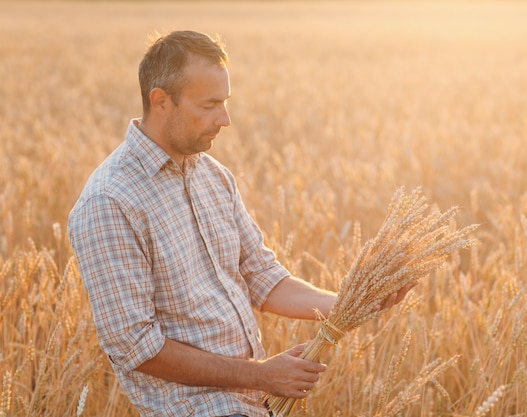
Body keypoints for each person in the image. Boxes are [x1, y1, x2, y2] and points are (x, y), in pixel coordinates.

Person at [68, 30, 410, 417]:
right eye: (210, 105)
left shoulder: (212, 175)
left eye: (225, 103)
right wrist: (261, 375)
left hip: (251, 405)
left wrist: (350, 303)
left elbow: (261, 276)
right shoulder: (109, 202)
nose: (225, 119)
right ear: (160, 101)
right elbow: (136, 346)